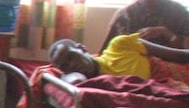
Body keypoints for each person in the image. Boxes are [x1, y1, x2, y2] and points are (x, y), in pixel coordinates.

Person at [49, 27, 189, 87]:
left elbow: (177, 55)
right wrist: (67, 75)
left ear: (81, 48)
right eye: (65, 66)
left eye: (71, 57)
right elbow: (74, 82)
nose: (71, 65)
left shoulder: (119, 45)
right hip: (169, 86)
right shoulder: (97, 83)